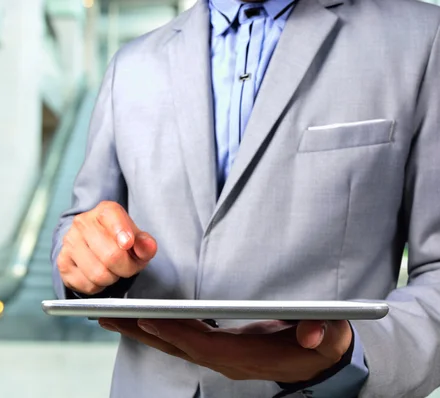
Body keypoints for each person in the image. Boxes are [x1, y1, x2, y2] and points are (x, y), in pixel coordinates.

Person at [51, 0, 440, 396]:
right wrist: (85, 257)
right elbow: (82, 220)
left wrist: (351, 354)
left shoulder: (423, 38)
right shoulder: (130, 65)